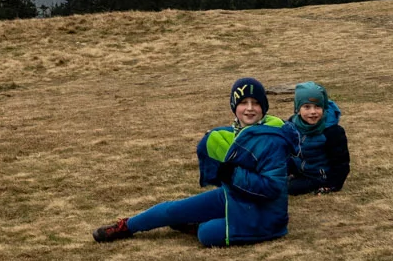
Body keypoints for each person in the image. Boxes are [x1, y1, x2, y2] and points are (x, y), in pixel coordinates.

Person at [93, 78, 297, 247]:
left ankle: (198, 225)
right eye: (244, 103)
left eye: (256, 103)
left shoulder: (274, 139)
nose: (250, 108)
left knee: (207, 234)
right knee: (172, 210)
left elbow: (273, 188)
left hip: (263, 216)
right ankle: (126, 226)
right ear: (234, 107)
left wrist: (232, 175)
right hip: (234, 197)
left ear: (264, 107)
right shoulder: (233, 134)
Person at [287, 81, 350, 194]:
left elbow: (341, 163)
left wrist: (332, 185)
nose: (313, 112)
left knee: (288, 188)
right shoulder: (292, 124)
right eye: (307, 107)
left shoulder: (332, 132)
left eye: (317, 107)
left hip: (319, 176)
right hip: (299, 172)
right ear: (298, 109)